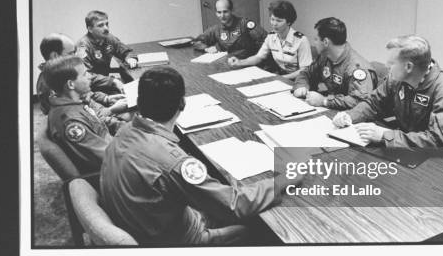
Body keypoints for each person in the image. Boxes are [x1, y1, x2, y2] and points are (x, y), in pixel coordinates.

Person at [100, 66, 300, 245]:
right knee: (258, 230)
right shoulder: (175, 162)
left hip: (141, 221)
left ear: (139, 102)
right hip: (172, 241)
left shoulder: (124, 131)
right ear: (182, 104)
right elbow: (235, 205)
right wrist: (285, 179)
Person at [332, 35, 443, 148]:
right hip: (405, 149)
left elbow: (437, 140)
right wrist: (350, 116)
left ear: (408, 67)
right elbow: (373, 103)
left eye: (391, 63)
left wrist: (386, 136)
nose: (386, 66)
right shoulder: (396, 79)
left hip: (442, 164)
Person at [37, 33, 129, 134]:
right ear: (55, 56)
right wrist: (112, 112)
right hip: (98, 124)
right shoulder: (53, 87)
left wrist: (107, 99)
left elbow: (88, 96)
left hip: (100, 113)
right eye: (71, 53)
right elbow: (89, 119)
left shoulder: (65, 73)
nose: (77, 58)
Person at [44, 55, 114, 173]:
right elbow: (108, 157)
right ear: (71, 84)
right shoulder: (71, 123)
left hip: (113, 150)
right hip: (111, 173)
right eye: (85, 74)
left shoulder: (74, 104)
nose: (90, 77)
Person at [293, 17, 374, 109]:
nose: (314, 43)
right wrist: (301, 86)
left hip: (351, 117)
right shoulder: (325, 56)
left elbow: (358, 101)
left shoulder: (356, 68)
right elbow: (306, 73)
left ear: (326, 42)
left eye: (316, 39)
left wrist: (324, 101)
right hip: (334, 109)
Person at [227, 0, 313, 80]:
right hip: (281, 77)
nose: (274, 24)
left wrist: (282, 78)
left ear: (289, 22)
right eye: (272, 19)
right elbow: (259, 57)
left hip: (299, 80)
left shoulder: (301, 40)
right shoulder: (271, 37)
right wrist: (240, 62)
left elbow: (304, 70)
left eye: (279, 21)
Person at [77, 10, 138, 93]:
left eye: (107, 24)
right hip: (90, 89)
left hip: (105, 84)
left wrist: (130, 58)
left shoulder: (109, 38)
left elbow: (125, 50)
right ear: (90, 29)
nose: (106, 28)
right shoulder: (83, 46)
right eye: (100, 25)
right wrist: (111, 81)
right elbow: (85, 75)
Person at [192, 0, 267, 59]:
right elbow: (196, 42)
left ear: (231, 11)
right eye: (219, 12)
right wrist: (207, 48)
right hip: (229, 64)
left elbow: (266, 40)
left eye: (225, 12)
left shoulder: (245, 24)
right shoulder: (216, 29)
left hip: (249, 63)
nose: (222, 16)